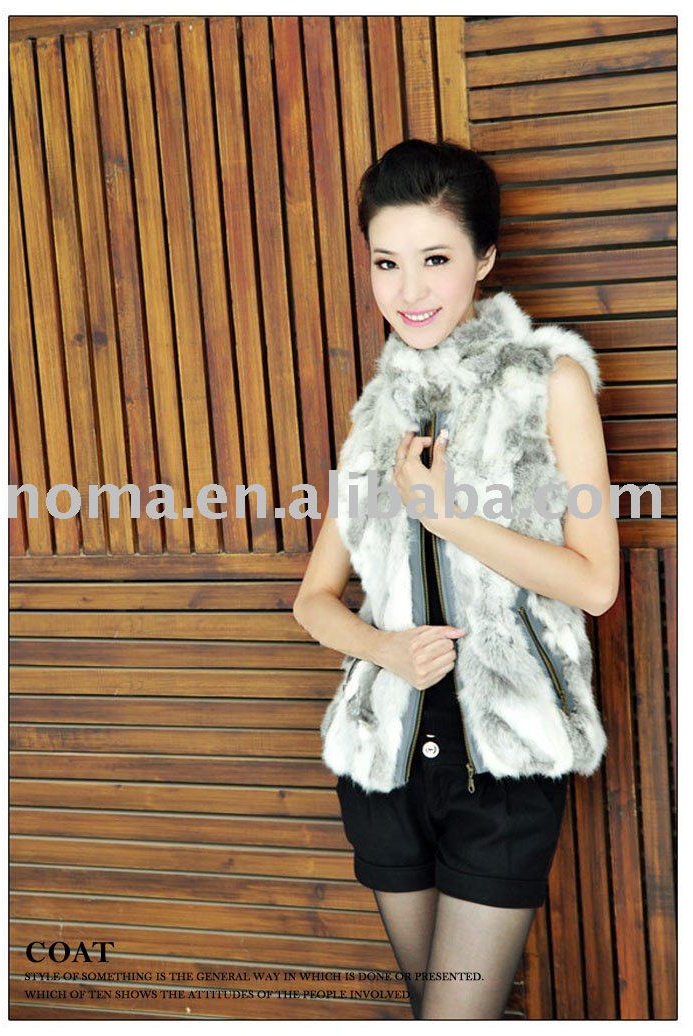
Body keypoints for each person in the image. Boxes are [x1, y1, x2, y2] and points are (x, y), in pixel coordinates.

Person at [293, 139, 619, 1020]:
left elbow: (596, 584)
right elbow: (313, 600)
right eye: (386, 263)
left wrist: (449, 517)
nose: (409, 289)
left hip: (504, 765)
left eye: (435, 259)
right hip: (385, 761)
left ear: (484, 259)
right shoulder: (377, 415)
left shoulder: (549, 383)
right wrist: (385, 650)